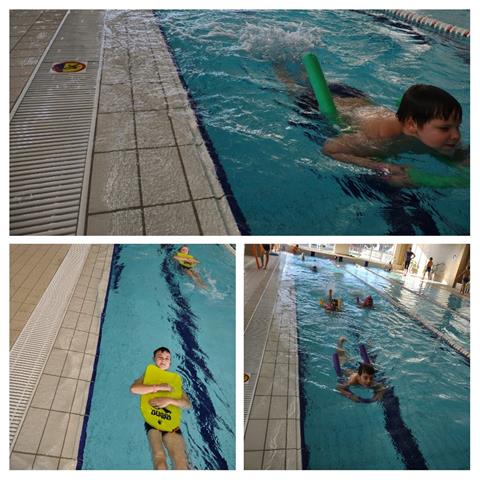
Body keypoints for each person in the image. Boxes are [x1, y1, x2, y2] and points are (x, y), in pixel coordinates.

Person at [322, 84, 468, 186]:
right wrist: (382, 167)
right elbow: (330, 149)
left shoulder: (423, 131)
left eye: (457, 126)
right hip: (327, 100)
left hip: (360, 100)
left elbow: (461, 156)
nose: (456, 135)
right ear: (411, 125)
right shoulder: (381, 139)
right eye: (444, 128)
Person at [130, 347, 192, 470]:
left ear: (170, 362)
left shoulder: (175, 380)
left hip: (171, 425)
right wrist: (159, 387)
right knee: (159, 459)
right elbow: (134, 389)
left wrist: (169, 400)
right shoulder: (147, 375)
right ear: (154, 359)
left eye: (167, 358)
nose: (163, 360)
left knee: (181, 463)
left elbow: (187, 404)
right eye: (160, 357)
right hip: (153, 423)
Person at [335, 337, 385, 403]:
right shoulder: (352, 381)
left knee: (371, 363)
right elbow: (339, 388)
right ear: (359, 377)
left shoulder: (372, 382)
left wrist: (375, 398)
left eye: (371, 378)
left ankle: (368, 343)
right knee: (342, 358)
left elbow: (382, 389)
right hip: (348, 368)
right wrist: (351, 396)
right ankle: (340, 343)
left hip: (360, 370)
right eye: (365, 378)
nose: (368, 381)